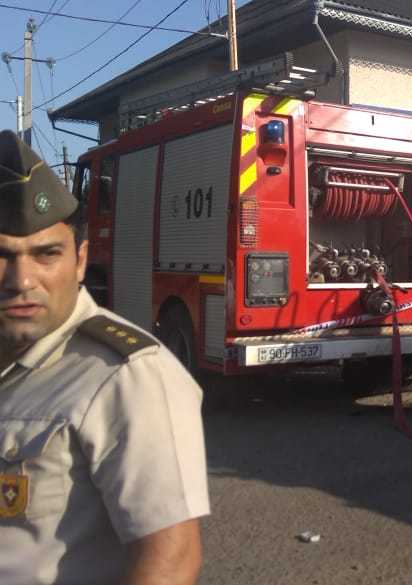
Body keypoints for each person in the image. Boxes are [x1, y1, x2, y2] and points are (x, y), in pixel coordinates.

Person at [0, 131, 208, 584]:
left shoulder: (125, 376)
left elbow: (169, 560)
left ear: (80, 260)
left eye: (46, 254)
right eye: (2, 256)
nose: (22, 280)